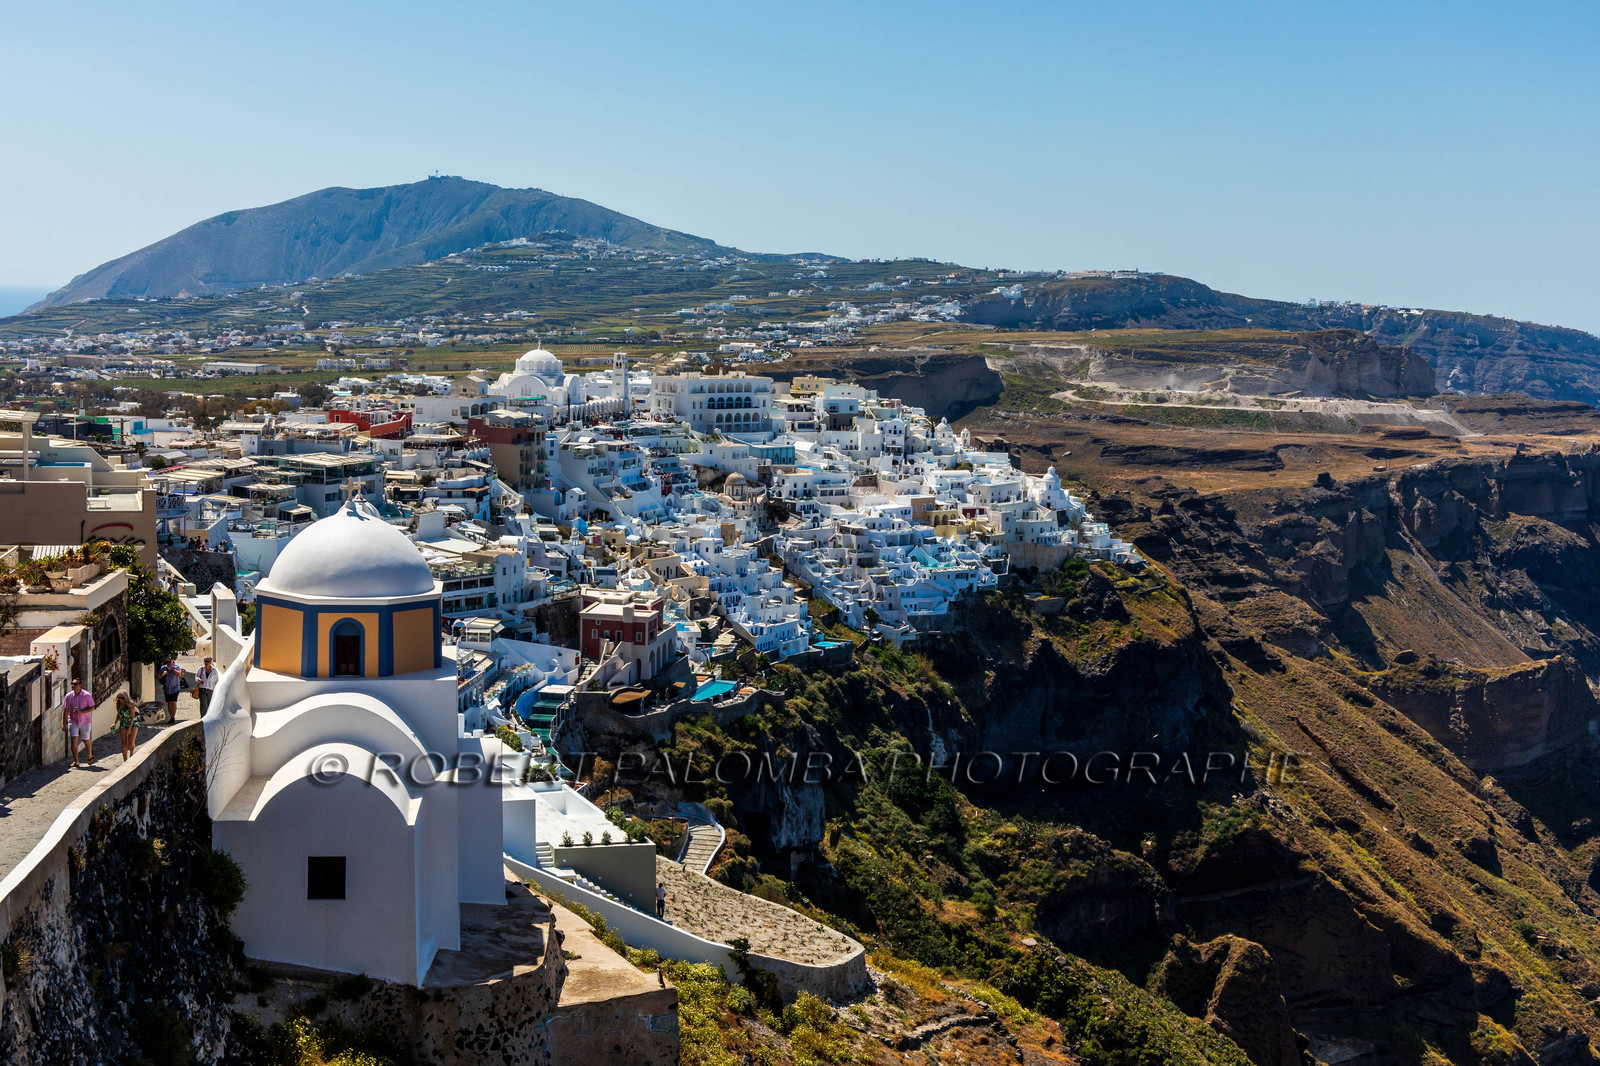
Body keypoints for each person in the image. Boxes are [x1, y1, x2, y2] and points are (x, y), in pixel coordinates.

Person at [62, 678, 96, 768]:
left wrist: (81, 712)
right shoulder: (68, 696)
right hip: (73, 720)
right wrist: (64, 723)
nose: (73, 685)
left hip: (85, 721)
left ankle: (89, 754)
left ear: (80, 685)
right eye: (72, 684)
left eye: (75, 684)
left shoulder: (86, 695)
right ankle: (76, 762)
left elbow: (92, 707)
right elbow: (65, 710)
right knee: (73, 740)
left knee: (85, 740)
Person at [158, 657, 185, 724]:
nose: (168, 663)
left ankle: (173, 717)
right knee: (169, 703)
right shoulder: (163, 668)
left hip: (175, 688)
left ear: (172, 661)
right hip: (167, 688)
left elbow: (179, 675)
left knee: (173, 702)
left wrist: (172, 669)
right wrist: (163, 674)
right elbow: (158, 676)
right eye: (167, 662)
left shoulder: (176, 667)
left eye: (170, 662)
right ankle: (171, 717)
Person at [114, 692, 138, 760]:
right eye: (118, 697)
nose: (120, 699)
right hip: (123, 723)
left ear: (126, 698)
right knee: (124, 743)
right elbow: (118, 714)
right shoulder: (118, 703)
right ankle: (125, 760)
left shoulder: (131, 703)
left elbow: (132, 717)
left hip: (132, 723)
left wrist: (129, 729)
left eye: (122, 698)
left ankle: (131, 754)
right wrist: (114, 723)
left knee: (131, 743)